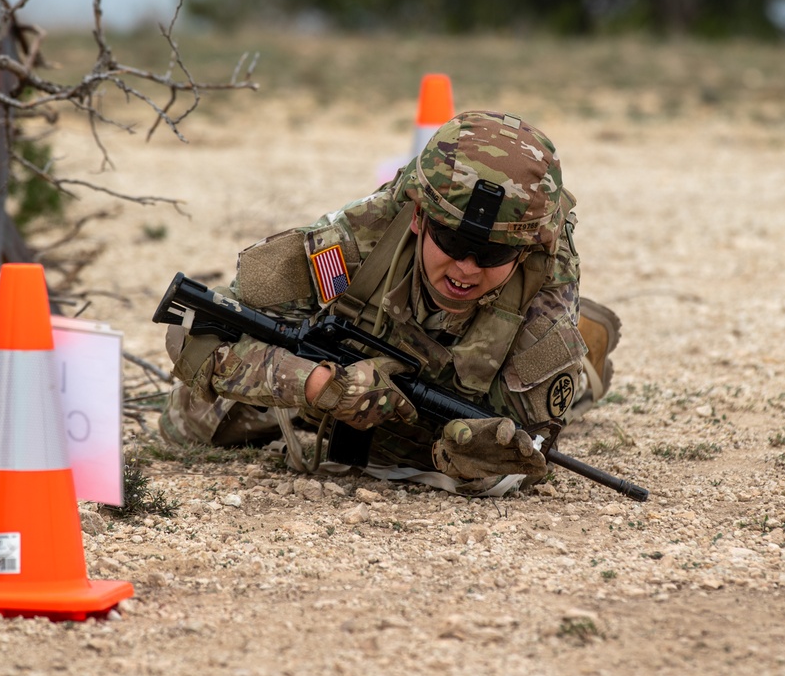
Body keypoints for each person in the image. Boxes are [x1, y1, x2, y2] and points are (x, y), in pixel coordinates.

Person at [160, 109, 620, 493]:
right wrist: (316, 383)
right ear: (419, 217)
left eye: (493, 255)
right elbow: (194, 339)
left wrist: (463, 453)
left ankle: (585, 352)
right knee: (190, 421)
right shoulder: (355, 240)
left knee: (502, 455)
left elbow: (533, 445)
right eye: (452, 243)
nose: (466, 268)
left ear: (522, 251)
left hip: (485, 375)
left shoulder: (545, 283)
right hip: (348, 367)